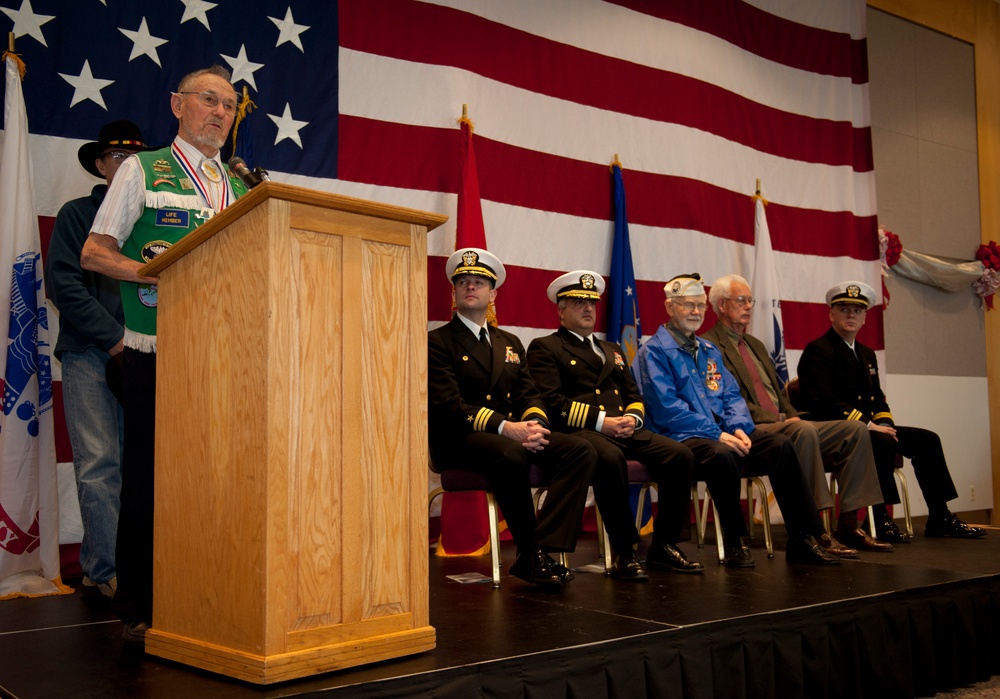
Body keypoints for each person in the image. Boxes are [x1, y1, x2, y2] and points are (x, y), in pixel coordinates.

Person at [80, 66, 250, 645]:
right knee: (150, 477)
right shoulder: (142, 170)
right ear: (177, 105)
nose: (221, 112)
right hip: (157, 351)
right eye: (209, 99)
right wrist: (160, 276)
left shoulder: (243, 188)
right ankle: (140, 604)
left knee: (220, 476)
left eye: (230, 104)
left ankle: (209, 589)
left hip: (227, 357)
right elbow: (95, 253)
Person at [631, 273, 839, 567]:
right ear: (669, 307)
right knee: (722, 454)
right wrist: (716, 433)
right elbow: (667, 409)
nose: (695, 312)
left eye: (700, 306)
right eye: (687, 305)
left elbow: (732, 397)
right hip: (681, 435)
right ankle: (734, 542)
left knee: (780, 445)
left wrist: (739, 428)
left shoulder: (709, 351)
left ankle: (803, 537)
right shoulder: (652, 352)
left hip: (721, 433)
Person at [428, 249, 599, 589]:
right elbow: (449, 406)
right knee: (511, 452)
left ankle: (544, 546)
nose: (470, 286)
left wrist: (534, 423)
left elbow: (528, 393)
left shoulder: (509, 342)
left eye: (478, 282)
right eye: (463, 282)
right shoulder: (437, 341)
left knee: (581, 450)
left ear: (492, 295)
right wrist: (509, 428)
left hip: (510, 433)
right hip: (459, 438)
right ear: (454, 293)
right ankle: (530, 549)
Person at [526, 271, 703, 576]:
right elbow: (553, 403)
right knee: (609, 458)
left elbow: (633, 394)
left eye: (592, 303)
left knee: (680, 455)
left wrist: (632, 419)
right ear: (561, 310)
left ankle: (664, 545)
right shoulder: (546, 348)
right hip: (581, 431)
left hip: (622, 428)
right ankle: (625, 551)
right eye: (578, 302)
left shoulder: (613, 350)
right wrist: (602, 422)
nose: (588, 309)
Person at [701, 274, 889, 555]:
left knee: (855, 430)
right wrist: (781, 420)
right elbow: (723, 402)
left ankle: (849, 524)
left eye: (750, 300)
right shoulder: (708, 346)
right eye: (742, 300)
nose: (749, 306)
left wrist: (790, 414)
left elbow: (779, 393)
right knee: (804, 430)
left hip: (783, 423)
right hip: (746, 428)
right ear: (722, 305)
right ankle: (815, 528)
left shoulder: (755, 344)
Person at [45, 120, 154, 602]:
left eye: (134, 160)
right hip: (93, 353)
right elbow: (63, 286)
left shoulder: (150, 218)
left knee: (140, 462)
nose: (125, 165)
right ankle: (107, 567)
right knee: (98, 461)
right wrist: (114, 339)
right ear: (98, 164)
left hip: (145, 353)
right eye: (115, 158)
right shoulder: (77, 214)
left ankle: (127, 564)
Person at [796, 281, 985, 542]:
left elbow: (878, 400)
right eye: (844, 309)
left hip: (871, 429)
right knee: (880, 440)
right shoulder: (818, 350)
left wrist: (886, 424)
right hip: (838, 432)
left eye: (857, 311)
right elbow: (823, 402)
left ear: (864, 318)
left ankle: (940, 514)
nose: (851, 315)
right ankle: (878, 517)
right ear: (831, 314)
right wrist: (870, 426)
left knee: (927, 439)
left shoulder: (866, 354)